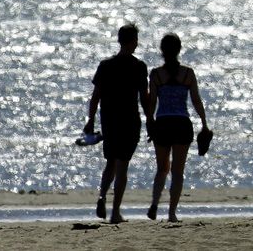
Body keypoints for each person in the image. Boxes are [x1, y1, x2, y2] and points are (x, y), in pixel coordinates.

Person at [84, 23, 150, 224]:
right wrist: (152, 121)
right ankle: (115, 212)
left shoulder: (106, 65)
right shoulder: (139, 67)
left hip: (109, 121)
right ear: (133, 42)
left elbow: (96, 97)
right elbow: (144, 99)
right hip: (129, 120)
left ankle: (102, 196)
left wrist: (90, 120)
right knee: (122, 166)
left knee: (111, 162)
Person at [146, 32, 209, 222]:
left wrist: (150, 123)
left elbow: (152, 103)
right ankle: (172, 213)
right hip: (182, 123)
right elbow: (196, 100)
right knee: (177, 172)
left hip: (163, 123)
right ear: (179, 49)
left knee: (161, 168)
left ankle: (155, 204)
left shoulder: (156, 74)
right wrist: (204, 123)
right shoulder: (187, 73)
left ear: (162, 51)